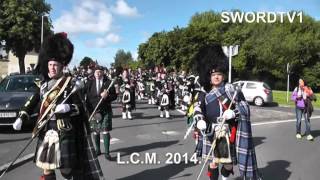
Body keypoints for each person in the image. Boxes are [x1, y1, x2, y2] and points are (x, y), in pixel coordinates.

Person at [12, 32, 104, 180]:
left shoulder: (70, 84)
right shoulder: (43, 85)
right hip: (47, 129)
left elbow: (81, 108)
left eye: (55, 65)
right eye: (50, 65)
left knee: (69, 170)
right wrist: (22, 117)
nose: (52, 68)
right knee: (47, 168)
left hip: (65, 130)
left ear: (62, 66)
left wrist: (68, 108)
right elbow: (32, 102)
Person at [193, 44, 260, 180]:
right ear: (208, 76)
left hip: (227, 130)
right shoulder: (204, 93)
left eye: (219, 74)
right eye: (213, 75)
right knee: (213, 163)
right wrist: (199, 120)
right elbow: (198, 108)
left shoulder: (232, 90)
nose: (216, 77)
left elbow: (244, 108)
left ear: (223, 75)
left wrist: (234, 113)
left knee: (228, 164)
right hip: (211, 130)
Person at [85, 65, 117, 160]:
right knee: (96, 131)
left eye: (99, 72)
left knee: (105, 130)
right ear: (94, 73)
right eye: (96, 72)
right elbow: (84, 95)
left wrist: (107, 96)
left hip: (105, 110)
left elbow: (114, 96)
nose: (98, 74)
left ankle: (107, 152)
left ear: (102, 72)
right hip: (93, 110)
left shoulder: (108, 83)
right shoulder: (89, 83)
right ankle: (98, 150)